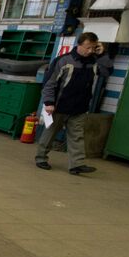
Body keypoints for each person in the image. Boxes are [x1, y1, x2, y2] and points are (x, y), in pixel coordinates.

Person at [35, 32, 113, 175]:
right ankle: (40, 158)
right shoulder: (63, 61)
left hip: (80, 107)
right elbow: (49, 83)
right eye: (88, 47)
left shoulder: (95, 62)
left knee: (77, 136)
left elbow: (107, 72)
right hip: (57, 106)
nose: (90, 51)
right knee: (50, 132)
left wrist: (102, 55)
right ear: (79, 45)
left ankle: (76, 165)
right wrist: (48, 102)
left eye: (93, 48)